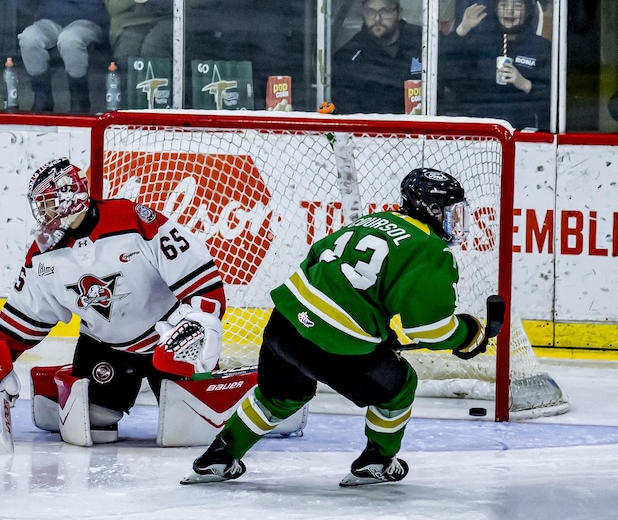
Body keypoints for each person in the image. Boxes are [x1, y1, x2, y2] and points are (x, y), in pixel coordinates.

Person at [186, 168, 494, 487]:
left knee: (277, 396)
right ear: (430, 210)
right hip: (336, 346)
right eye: (450, 212)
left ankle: (218, 457)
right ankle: (377, 461)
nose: (456, 221)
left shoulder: (368, 222)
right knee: (400, 386)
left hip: (285, 323)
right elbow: (429, 330)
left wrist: (375, 331)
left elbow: (317, 256)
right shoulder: (429, 249)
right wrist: (468, 335)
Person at [0, 157, 226, 443]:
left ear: (71, 195)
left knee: (190, 430)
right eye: (40, 206)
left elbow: (194, 271)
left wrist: (201, 322)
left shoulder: (131, 219)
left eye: (49, 203)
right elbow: (28, 311)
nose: (43, 214)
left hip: (168, 341)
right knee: (91, 424)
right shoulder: (43, 254)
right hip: (106, 348)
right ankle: (67, 386)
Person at [440, 0, 551, 130]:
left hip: (524, 136)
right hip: (480, 132)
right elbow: (441, 69)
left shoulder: (541, 47)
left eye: (517, 5)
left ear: (527, 12)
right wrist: (462, 30)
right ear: (496, 8)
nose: (510, 11)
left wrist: (525, 84)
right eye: (503, 4)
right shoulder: (480, 42)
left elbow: (556, 101)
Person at [331, 0, 425, 114]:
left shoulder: (423, 41)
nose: (377, 19)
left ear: (399, 13)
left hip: (421, 132)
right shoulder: (348, 57)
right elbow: (347, 116)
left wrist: (461, 32)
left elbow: (454, 70)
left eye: (385, 11)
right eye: (370, 12)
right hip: (369, 134)